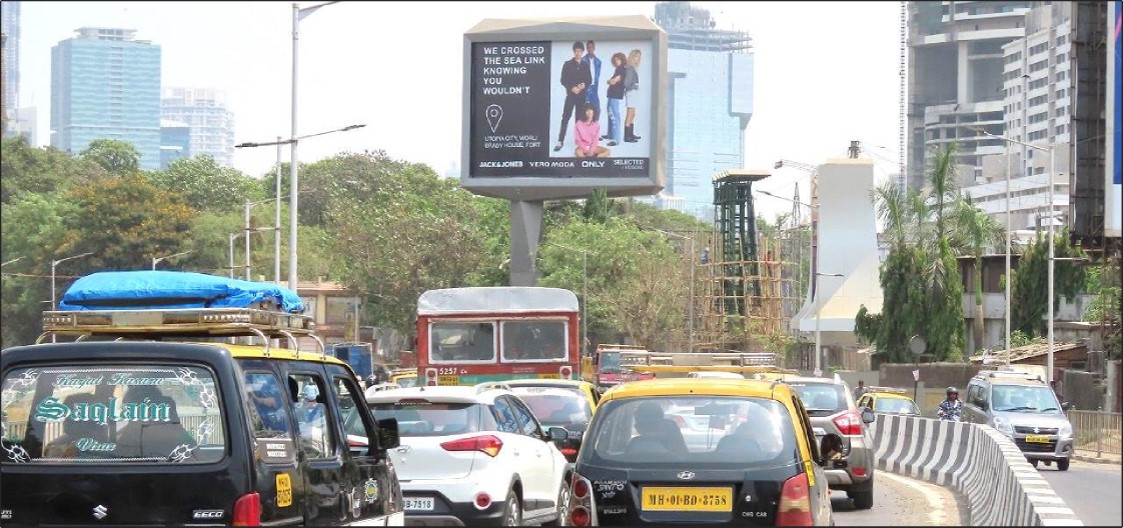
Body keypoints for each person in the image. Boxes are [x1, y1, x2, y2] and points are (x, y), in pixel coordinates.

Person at [554, 41, 592, 153]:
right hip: (571, 95)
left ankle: (579, 142)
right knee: (565, 117)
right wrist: (571, 87)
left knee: (579, 120)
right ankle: (560, 141)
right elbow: (563, 80)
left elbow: (589, 80)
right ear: (573, 52)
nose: (578, 53)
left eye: (580, 51)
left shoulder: (585, 65)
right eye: (576, 51)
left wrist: (584, 85)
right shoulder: (567, 64)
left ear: (582, 52)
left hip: (581, 96)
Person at [604, 52, 627, 147]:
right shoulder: (618, 69)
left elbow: (614, 81)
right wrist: (610, 81)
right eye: (615, 60)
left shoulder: (622, 69)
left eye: (618, 59)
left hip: (615, 94)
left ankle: (616, 139)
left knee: (614, 114)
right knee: (610, 113)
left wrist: (610, 81)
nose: (616, 61)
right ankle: (610, 134)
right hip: (612, 94)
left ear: (622, 60)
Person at [623, 49, 642, 143]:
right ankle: (627, 136)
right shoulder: (630, 68)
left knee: (633, 114)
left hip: (633, 93)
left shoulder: (633, 68)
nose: (637, 59)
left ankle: (631, 134)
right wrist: (634, 86)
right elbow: (626, 83)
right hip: (631, 93)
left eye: (639, 57)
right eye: (636, 56)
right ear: (632, 57)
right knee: (630, 114)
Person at [582, 40, 602, 123]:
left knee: (597, 108)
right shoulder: (583, 60)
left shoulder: (598, 61)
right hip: (585, 87)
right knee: (584, 109)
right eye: (588, 47)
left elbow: (597, 75)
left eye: (591, 47)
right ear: (586, 48)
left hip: (594, 88)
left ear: (594, 48)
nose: (590, 49)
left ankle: (594, 129)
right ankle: (584, 131)